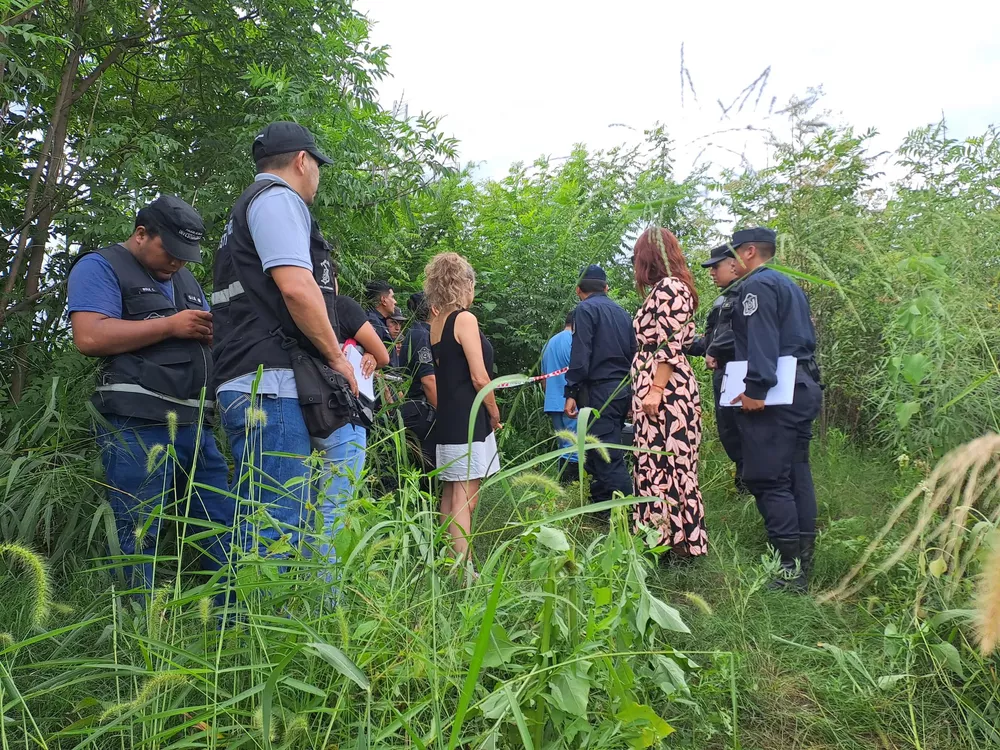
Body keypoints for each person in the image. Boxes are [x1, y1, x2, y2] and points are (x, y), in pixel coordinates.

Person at [67, 196, 236, 593]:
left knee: (221, 525)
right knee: (137, 528)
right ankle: (132, 628)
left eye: (185, 256)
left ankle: (233, 622)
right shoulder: (101, 265)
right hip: (137, 423)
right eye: (171, 251)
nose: (178, 262)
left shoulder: (186, 281)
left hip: (197, 426)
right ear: (141, 234)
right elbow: (90, 336)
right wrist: (171, 326)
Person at [211, 121, 360, 561]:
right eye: (318, 165)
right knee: (274, 526)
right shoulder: (278, 200)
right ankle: (249, 628)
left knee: (269, 518)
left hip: (250, 376)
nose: (318, 175)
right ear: (301, 161)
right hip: (269, 384)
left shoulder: (244, 212)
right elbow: (296, 289)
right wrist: (337, 358)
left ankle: (264, 620)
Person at [726, 227, 823, 591]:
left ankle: (788, 571)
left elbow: (762, 339)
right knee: (796, 474)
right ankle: (803, 559)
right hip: (802, 387)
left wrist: (755, 388)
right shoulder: (787, 285)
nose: (731, 262)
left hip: (776, 394)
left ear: (750, 251)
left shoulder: (757, 286)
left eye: (734, 253)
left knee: (768, 478)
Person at [630, 227, 706, 559]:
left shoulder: (670, 288)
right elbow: (685, 341)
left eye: (636, 256)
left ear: (649, 256)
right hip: (661, 391)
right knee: (656, 464)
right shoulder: (671, 289)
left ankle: (674, 546)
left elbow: (670, 346)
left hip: (666, 395)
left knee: (665, 466)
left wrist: (655, 389)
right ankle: (666, 543)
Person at [425, 253, 501, 568]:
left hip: (448, 417)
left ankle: (444, 563)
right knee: (464, 499)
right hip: (470, 419)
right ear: (465, 284)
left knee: (450, 492)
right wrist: (494, 411)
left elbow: (448, 373)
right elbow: (478, 376)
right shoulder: (464, 319)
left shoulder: (435, 323)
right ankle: (465, 573)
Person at [564, 264, 636, 514]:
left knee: (606, 454)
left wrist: (571, 392)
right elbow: (633, 353)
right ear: (606, 288)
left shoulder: (584, 310)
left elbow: (581, 354)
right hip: (622, 389)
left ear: (578, 290)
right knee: (600, 449)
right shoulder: (623, 313)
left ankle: (627, 513)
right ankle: (603, 508)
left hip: (598, 391)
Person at [698, 243, 747, 494]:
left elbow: (742, 332)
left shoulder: (747, 293)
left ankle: (749, 487)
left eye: (715, 267)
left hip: (741, 372)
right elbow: (710, 339)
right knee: (728, 431)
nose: (712, 273)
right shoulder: (722, 298)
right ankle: (743, 486)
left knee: (744, 430)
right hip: (722, 374)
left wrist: (715, 350)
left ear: (732, 263)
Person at [398, 291, 438, 476]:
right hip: (422, 411)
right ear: (434, 309)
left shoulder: (415, 332)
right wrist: (446, 414)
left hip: (415, 409)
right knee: (429, 472)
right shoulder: (422, 335)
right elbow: (428, 380)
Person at [541, 309, 578, 481]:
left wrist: (551, 397)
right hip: (572, 403)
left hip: (553, 402)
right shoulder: (575, 341)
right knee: (575, 446)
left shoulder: (549, 343)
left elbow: (544, 379)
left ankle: (562, 486)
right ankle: (573, 488)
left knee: (564, 445)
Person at [365, 280, 395, 345]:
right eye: (392, 297)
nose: (395, 302)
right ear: (384, 300)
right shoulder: (373, 322)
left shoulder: (379, 321)